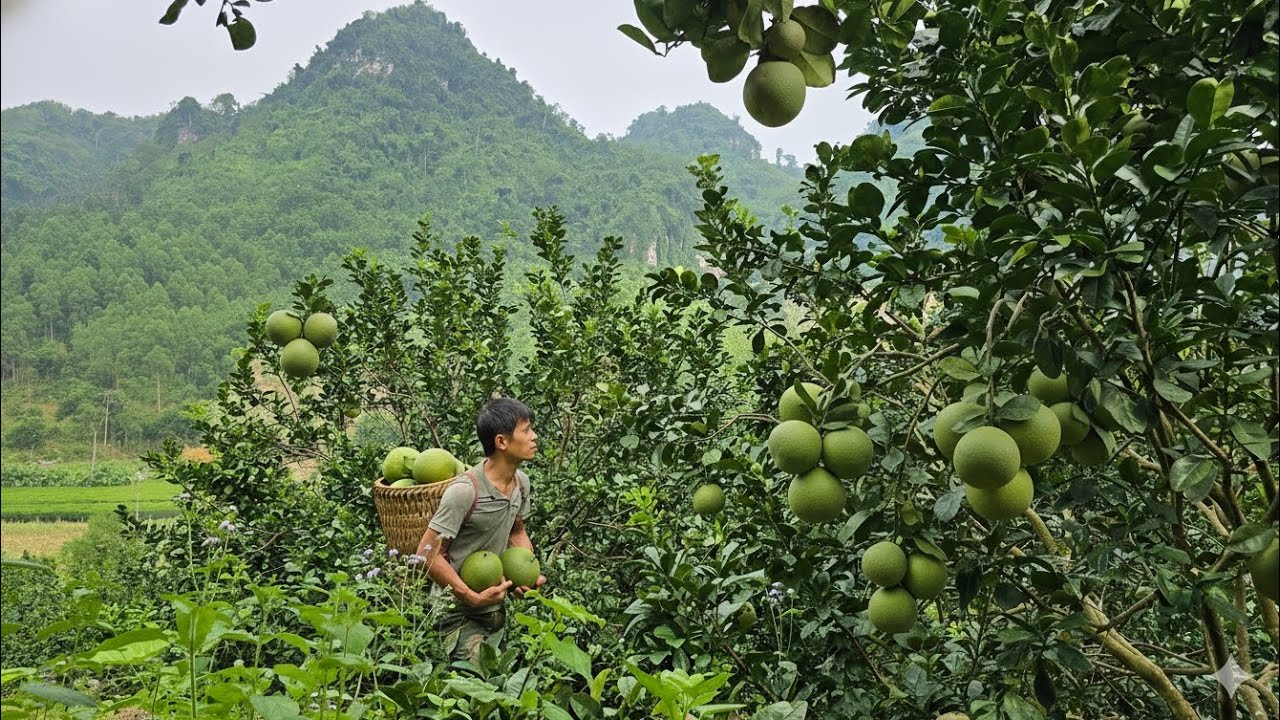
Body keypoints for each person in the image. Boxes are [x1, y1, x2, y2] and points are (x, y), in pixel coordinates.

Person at [416, 397, 547, 664]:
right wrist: (470, 597)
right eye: (526, 430)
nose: (534, 437)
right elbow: (426, 553)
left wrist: (524, 575)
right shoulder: (465, 491)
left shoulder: (521, 483)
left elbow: (517, 530)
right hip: (455, 610)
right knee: (476, 685)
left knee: (495, 683)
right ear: (502, 442)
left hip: (494, 607)